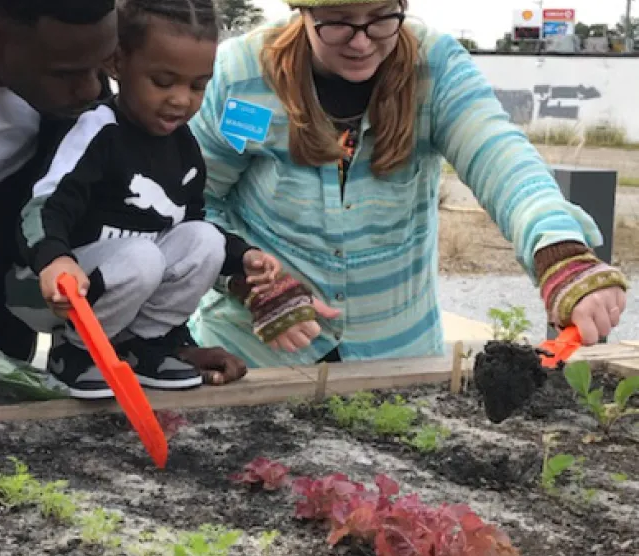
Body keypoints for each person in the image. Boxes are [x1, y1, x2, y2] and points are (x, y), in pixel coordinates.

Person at [187, 0, 629, 368]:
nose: (362, 41)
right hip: (254, 356)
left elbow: (501, 156)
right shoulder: (243, 76)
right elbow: (193, 200)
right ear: (303, 12)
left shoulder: (434, 67)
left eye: (382, 17)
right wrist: (247, 281)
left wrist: (559, 249)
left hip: (395, 359)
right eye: (338, 23)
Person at [0, 0, 243, 448]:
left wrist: (168, 345)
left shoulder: (74, 103)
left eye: (101, 67)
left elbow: (124, 230)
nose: (91, 90)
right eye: (67, 73)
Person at [6, 0, 285, 399]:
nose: (181, 100)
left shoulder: (184, 146)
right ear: (117, 63)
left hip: (129, 282)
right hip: (55, 285)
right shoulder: (96, 129)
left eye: (197, 85)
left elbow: (190, 225)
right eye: (163, 81)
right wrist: (54, 258)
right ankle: (75, 354)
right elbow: (43, 205)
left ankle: (146, 345)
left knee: (205, 239)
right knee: (142, 256)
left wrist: (243, 258)